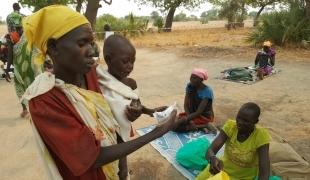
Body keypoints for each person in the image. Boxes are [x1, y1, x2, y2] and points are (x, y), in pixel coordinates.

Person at [22, 5, 182, 180]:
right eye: (82, 43)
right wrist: (157, 132)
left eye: (91, 42)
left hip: (113, 169)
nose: (92, 51)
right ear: (53, 47)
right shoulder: (44, 101)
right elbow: (91, 157)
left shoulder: (90, 73)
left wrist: (144, 111)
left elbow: (111, 114)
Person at [97, 34, 168, 178]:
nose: (130, 66)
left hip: (122, 131)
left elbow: (137, 103)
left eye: (133, 62)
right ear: (109, 59)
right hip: (107, 132)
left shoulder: (131, 83)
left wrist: (150, 111)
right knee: (108, 167)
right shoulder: (99, 83)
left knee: (122, 162)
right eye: (125, 61)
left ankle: (124, 173)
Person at [196, 102, 271, 180]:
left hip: (241, 178)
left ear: (255, 121)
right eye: (239, 117)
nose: (240, 122)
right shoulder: (231, 126)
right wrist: (212, 159)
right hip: (220, 168)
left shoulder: (261, 136)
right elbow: (210, 150)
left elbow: (264, 170)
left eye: (246, 121)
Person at [175, 68, 217, 134]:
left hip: (203, 117)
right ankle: (201, 127)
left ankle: (205, 125)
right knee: (176, 121)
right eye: (191, 77)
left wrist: (188, 119)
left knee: (177, 127)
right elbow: (186, 105)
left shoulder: (207, 91)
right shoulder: (190, 86)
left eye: (195, 78)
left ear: (201, 80)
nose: (192, 80)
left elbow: (199, 112)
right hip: (192, 114)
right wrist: (190, 120)